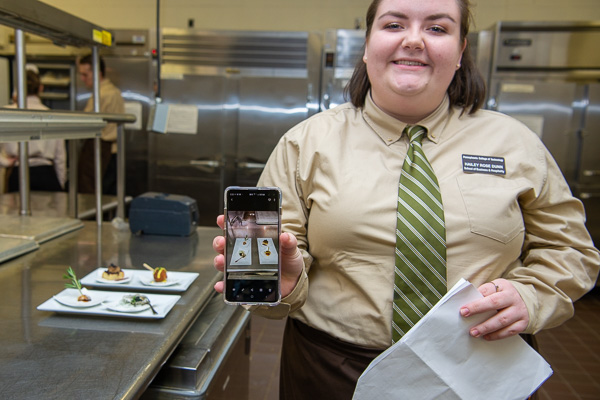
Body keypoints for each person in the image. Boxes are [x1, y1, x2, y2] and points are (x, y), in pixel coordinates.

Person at [213, 0, 600, 398]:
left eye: (437, 28)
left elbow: (571, 250)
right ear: (367, 45)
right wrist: (280, 284)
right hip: (334, 371)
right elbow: (256, 283)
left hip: (482, 370)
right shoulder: (301, 144)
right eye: (394, 24)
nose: (413, 40)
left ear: (460, 51)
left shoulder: (516, 143)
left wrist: (532, 295)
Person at [1, 69, 66, 192]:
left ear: (18, 88)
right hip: (46, 173)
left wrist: (5, 162)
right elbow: (60, 157)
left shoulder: (6, 113)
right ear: (40, 88)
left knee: (17, 211)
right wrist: (60, 183)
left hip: (17, 171)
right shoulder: (52, 115)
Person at [77, 54, 124, 195]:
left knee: (92, 193)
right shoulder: (114, 91)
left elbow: (86, 124)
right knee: (107, 194)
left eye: (85, 74)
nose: (82, 79)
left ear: (97, 73)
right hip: (111, 151)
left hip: (100, 148)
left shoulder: (101, 95)